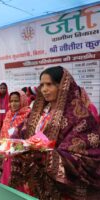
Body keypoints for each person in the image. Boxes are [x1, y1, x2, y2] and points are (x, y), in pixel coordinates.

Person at [8, 66, 100, 199]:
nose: (44, 89)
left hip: (64, 189)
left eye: (49, 84)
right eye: (42, 85)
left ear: (63, 86)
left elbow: (86, 156)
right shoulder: (38, 112)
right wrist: (12, 143)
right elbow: (21, 132)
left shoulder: (80, 116)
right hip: (36, 182)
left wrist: (46, 155)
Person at [0, 90, 30, 185]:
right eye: (11, 101)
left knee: (19, 183)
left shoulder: (28, 114)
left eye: (16, 101)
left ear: (23, 101)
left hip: (20, 155)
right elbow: (3, 132)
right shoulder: (8, 114)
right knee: (6, 178)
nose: (13, 104)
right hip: (7, 153)